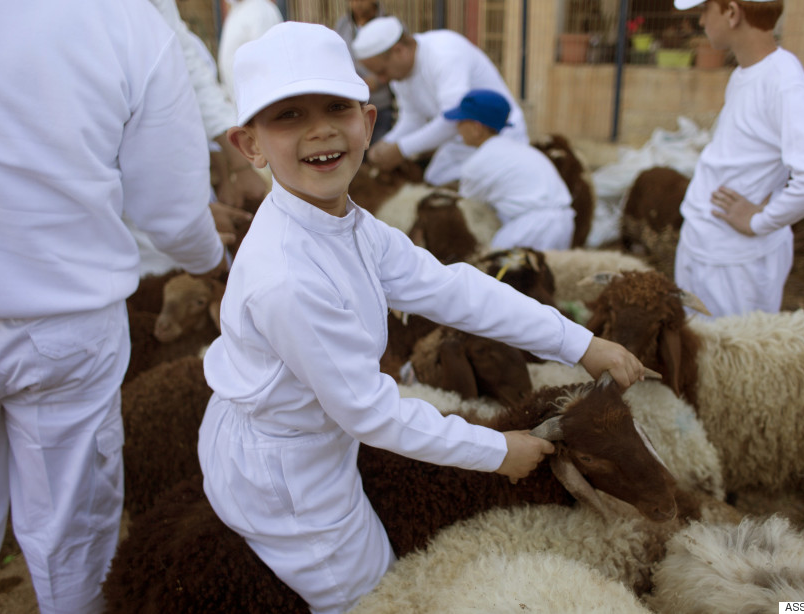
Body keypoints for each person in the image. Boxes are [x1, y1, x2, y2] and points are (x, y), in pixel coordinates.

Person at [197, 21, 646, 614]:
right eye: (288, 116)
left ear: (369, 121)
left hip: (309, 435)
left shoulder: (349, 224)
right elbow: (370, 412)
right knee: (374, 594)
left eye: (336, 106)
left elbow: (453, 289)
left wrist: (578, 342)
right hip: (289, 477)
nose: (321, 130)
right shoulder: (288, 277)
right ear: (248, 144)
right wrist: (496, 450)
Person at [0, 1, 227, 612]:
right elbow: (173, 212)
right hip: (62, 321)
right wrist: (214, 261)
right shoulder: (128, 22)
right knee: (69, 540)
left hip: (61, 318)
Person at [672, 0, 804, 318]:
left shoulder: (782, 80)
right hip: (708, 248)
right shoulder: (747, 73)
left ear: (732, 13)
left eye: (705, 9)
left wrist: (759, 220)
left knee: (730, 359)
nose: (700, 21)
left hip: (734, 264)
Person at [351, 16, 529, 186]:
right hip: (462, 140)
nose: (382, 80)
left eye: (382, 71)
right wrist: (387, 143)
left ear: (399, 50)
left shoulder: (444, 53)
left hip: (499, 136)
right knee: (435, 179)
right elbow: (413, 118)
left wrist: (401, 149)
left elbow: (454, 119)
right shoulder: (399, 76)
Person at [150, 0, 269, 211]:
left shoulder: (260, 11)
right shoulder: (236, 15)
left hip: (254, 129)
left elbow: (267, 77)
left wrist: (241, 164)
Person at [444, 89, 576, 251]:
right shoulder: (520, 149)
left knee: (495, 273)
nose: (457, 127)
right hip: (564, 223)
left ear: (476, 128)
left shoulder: (478, 163)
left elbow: (469, 209)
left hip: (530, 229)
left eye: (461, 120)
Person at [335, 0, 396, 144]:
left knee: (379, 147)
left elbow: (398, 62)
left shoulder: (389, 24)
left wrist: (379, 79)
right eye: (352, 1)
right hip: (352, 102)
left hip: (381, 102)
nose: (357, 5)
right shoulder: (343, 25)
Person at [217, 0, 284, 104]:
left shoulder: (259, 9)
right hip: (241, 103)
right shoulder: (238, 10)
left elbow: (266, 62)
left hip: (258, 102)